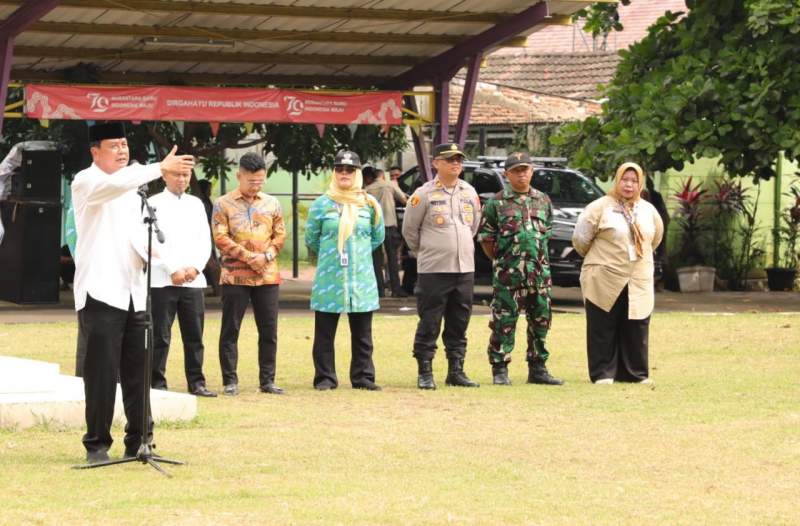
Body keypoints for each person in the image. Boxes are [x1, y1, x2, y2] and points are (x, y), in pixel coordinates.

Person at [71, 121, 195, 463]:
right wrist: (158, 168)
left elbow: (140, 238)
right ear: (95, 151)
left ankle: (140, 440)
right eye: (114, 145)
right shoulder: (86, 181)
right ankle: (96, 444)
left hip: (135, 293)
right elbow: (113, 185)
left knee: (139, 370)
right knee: (101, 374)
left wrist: (171, 266)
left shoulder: (132, 190)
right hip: (101, 292)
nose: (122, 150)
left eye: (125, 144)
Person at [572, 161, 664, 384]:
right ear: (617, 180)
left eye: (634, 181)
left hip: (637, 277)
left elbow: (656, 238)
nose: (629, 185)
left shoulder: (647, 210)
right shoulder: (599, 207)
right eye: (625, 179)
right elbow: (580, 240)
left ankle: (635, 373)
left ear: (640, 183)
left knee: (636, 325)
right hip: (604, 276)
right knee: (603, 324)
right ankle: (603, 372)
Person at [477, 152, 564, 386]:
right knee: (504, 322)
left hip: (539, 275)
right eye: (516, 170)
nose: (521, 174)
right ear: (507, 174)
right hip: (508, 275)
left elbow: (546, 233)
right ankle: (500, 368)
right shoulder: (496, 202)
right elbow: (487, 239)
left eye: (525, 169)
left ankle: (538, 368)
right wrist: (503, 261)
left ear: (532, 171)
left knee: (541, 321)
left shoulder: (543, 200)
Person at [401, 143, 481, 390]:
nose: (455, 163)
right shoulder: (423, 194)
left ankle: (456, 370)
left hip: (464, 269)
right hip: (434, 269)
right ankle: (425, 371)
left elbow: (473, 226)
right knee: (430, 320)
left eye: (458, 159)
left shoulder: (469, 192)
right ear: (436, 163)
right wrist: (426, 252)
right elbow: (409, 231)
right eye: (449, 159)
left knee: (460, 321)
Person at [305, 150, 385, 391]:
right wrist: (333, 254)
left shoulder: (369, 204)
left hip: (361, 278)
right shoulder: (321, 204)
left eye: (350, 170)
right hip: (330, 277)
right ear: (334, 173)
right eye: (339, 169)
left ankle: (363, 377)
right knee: (325, 334)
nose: (344, 174)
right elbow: (312, 239)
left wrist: (356, 254)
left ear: (358, 173)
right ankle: (325, 378)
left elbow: (376, 237)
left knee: (363, 333)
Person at [213, 152, 286, 396]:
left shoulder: (272, 203)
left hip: (267, 275)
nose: (256, 185)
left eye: (260, 181)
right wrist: (248, 257)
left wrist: (264, 257)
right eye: (251, 181)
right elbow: (220, 237)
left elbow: (280, 234)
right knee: (231, 328)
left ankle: (267, 380)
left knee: (269, 329)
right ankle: (230, 380)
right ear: (239, 176)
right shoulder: (223, 204)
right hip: (235, 276)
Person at [148, 168, 215, 397]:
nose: (182, 179)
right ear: (164, 176)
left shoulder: (196, 204)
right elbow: (151, 243)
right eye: (176, 175)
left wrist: (195, 267)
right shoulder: (152, 202)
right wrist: (172, 269)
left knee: (195, 335)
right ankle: (156, 383)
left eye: (186, 175)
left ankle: (197, 383)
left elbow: (204, 240)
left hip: (192, 280)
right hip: (162, 280)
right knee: (160, 336)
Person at [366, 167, 408, 298]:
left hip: (374, 227)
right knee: (392, 259)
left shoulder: (367, 190)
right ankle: (396, 289)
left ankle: (379, 290)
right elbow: (404, 200)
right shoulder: (390, 185)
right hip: (389, 225)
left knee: (376, 261)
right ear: (383, 176)